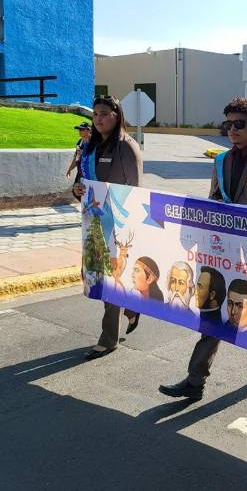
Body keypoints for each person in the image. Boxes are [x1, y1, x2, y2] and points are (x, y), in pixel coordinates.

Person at [159, 97, 247, 399]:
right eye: (228, 124)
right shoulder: (220, 160)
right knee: (212, 309)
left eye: (239, 123)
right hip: (220, 251)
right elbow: (213, 200)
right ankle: (195, 380)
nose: (232, 129)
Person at [73, 96, 143, 361]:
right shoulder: (90, 145)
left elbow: (136, 191)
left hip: (118, 225)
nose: (98, 119)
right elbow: (81, 181)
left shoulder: (126, 146)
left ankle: (108, 339)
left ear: (117, 115)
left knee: (112, 279)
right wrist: (77, 190)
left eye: (104, 114)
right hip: (94, 223)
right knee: (99, 276)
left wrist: (128, 226)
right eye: (95, 114)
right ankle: (132, 307)